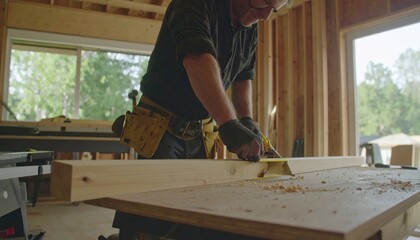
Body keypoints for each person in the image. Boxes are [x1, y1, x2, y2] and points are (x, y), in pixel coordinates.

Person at [112, 0, 289, 239]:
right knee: (152, 215)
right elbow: (197, 60)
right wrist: (229, 123)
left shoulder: (251, 25)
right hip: (159, 126)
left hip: (200, 132)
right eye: (265, 3)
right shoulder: (193, 4)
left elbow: (243, 78)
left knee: (195, 211)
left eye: (274, 9)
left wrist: (246, 121)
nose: (267, 15)